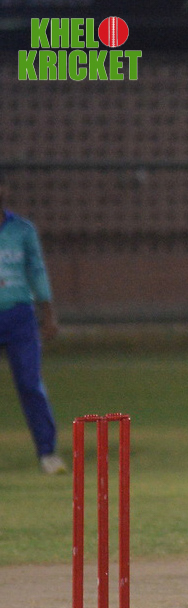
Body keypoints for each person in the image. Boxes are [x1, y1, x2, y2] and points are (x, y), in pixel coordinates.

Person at [0, 169, 65, 475]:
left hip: (19, 316)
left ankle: (47, 453)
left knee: (29, 383)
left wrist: (48, 314)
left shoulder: (22, 230)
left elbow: (37, 271)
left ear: (5, 190)